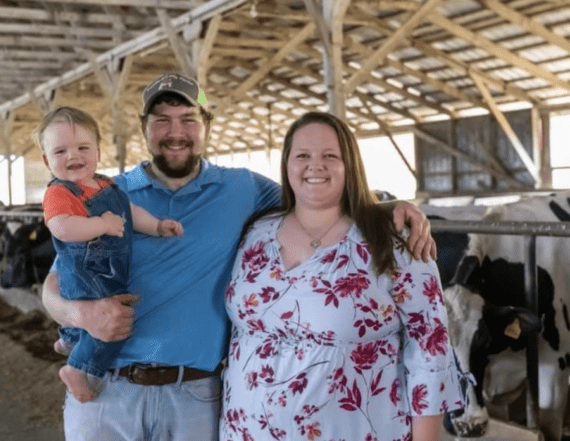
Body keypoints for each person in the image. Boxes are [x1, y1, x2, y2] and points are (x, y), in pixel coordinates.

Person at [41, 72, 438, 441]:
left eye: (188, 119)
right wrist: (80, 316)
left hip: (197, 394)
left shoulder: (244, 189)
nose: (175, 132)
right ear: (144, 127)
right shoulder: (104, 195)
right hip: (107, 392)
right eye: (162, 120)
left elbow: (316, 191)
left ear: (207, 126)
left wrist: (385, 205)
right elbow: (55, 285)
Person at [220, 112, 463, 441]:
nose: (314, 166)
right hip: (245, 432)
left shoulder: (394, 241)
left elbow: (429, 351)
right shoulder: (256, 232)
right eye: (302, 155)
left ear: (350, 165)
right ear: (287, 164)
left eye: (329, 156)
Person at [37, 106, 184, 403]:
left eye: (82, 147)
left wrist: (156, 226)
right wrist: (100, 224)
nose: (73, 156)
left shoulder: (107, 185)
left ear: (98, 152)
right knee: (112, 323)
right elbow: (61, 228)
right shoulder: (59, 193)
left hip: (109, 268)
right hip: (86, 271)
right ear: (46, 160)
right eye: (61, 151)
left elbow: (129, 214)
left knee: (109, 317)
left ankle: (70, 340)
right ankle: (76, 369)